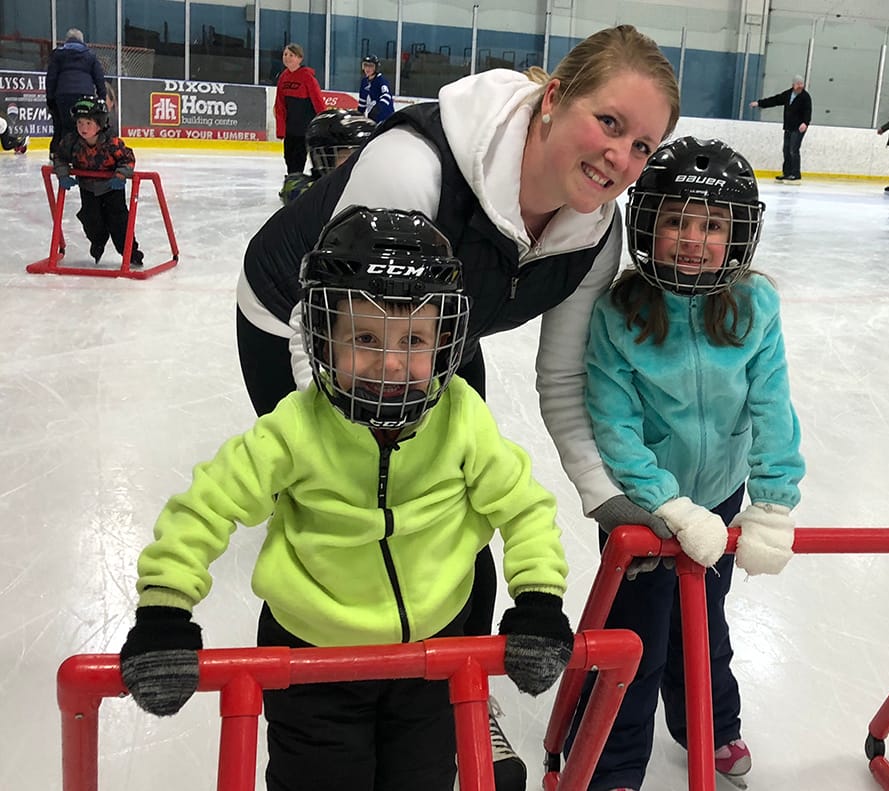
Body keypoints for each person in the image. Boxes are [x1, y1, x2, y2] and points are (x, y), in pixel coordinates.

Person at [235, 24, 680, 791]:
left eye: (642, 145)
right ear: (552, 100)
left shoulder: (594, 236)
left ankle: (450, 686)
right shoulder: (416, 168)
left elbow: (565, 381)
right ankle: (328, 701)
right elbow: (329, 322)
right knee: (354, 504)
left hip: (434, 326)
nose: (622, 157)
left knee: (460, 496)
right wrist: (345, 454)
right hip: (306, 319)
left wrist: (603, 496)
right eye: (610, 122)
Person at [118, 206, 576, 791]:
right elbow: (206, 505)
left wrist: (538, 598)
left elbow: (524, 506)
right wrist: (164, 610)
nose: (388, 364)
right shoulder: (294, 429)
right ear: (324, 337)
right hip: (312, 663)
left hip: (432, 658)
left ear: (444, 343)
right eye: (363, 337)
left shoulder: (464, 419)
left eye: (413, 338)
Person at [568, 137, 805, 791]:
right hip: (645, 507)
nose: (693, 238)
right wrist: (666, 504)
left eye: (711, 224)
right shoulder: (619, 312)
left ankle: (711, 721)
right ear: (648, 224)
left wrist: (774, 499)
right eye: (677, 220)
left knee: (703, 618)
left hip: (722, 495)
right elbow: (612, 424)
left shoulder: (755, 306)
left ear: (737, 234)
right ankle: (615, 763)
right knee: (636, 638)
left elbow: (773, 405)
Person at [52, 96, 144, 267]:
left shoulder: (111, 143)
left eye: (88, 123)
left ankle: (131, 253)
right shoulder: (72, 142)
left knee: (119, 223)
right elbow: (60, 157)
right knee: (91, 218)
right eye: (80, 123)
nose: (83, 128)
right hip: (88, 188)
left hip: (111, 189)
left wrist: (121, 175)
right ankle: (97, 243)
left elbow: (128, 158)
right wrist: (63, 174)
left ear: (100, 124)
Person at [278, 108, 375, 206]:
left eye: (362, 154)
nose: (357, 161)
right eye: (347, 155)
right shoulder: (305, 192)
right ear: (321, 159)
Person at [45, 28, 107, 159]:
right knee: (82, 125)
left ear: (66, 40)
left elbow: (51, 78)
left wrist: (50, 99)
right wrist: (102, 97)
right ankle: (80, 157)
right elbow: (99, 78)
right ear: (82, 41)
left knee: (62, 125)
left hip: (63, 95)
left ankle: (57, 156)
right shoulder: (90, 55)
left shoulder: (58, 54)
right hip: (85, 96)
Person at [274, 43, 326, 175]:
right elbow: (279, 105)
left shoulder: (307, 77)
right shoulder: (283, 77)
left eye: (291, 55)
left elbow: (318, 102)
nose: (287, 57)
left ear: (299, 58)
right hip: (290, 129)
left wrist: (323, 123)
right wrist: (281, 129)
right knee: (288, 158)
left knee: (298, 160)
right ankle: (292, 183)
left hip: (304, 129)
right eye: (285, 54)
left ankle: (295, 184)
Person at [749, 75, 812, 181]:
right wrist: (759, 103)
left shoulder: (805, 97)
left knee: (793, 150)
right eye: (798, 84)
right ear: (793, 85)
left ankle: (795, 174)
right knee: (786, 150)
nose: (800, 86)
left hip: (798, 128)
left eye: (801, 84)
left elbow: (808, 111)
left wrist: (805, 123)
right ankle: (787, 173)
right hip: (788, 126)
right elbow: (775, 100)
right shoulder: (788, 94)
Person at [359, 54, 394, 124]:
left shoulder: (381, 81)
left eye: (371, 66)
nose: (367, 69)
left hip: (385, 119)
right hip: (372, 119)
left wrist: (378, 108)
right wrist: (359, 114)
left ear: (376, 68)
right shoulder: (364, 82)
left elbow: (387, 96)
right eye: (365, 65)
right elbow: (362, 101)